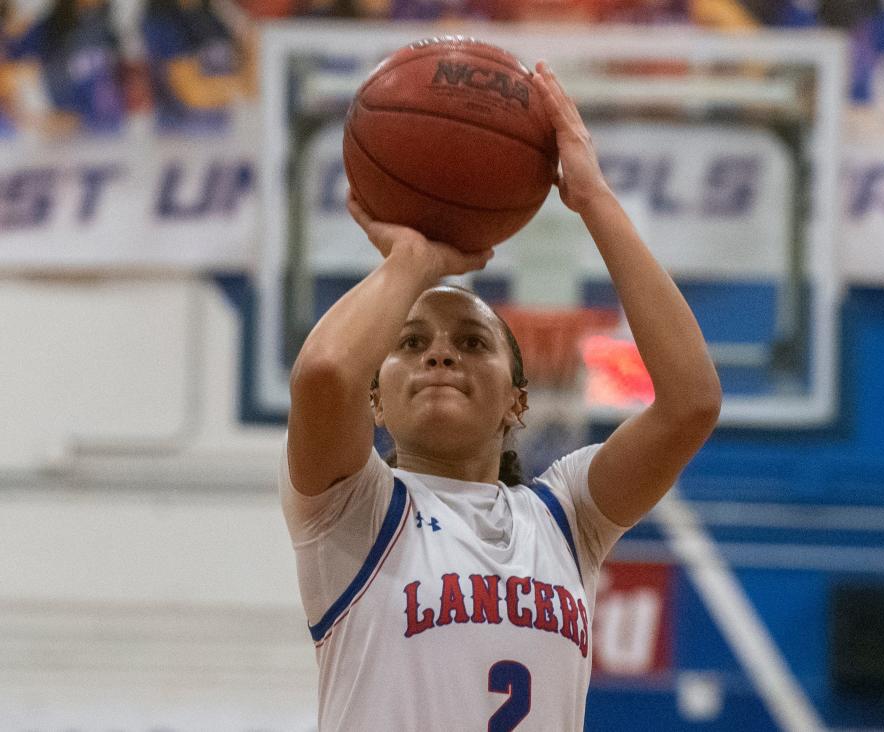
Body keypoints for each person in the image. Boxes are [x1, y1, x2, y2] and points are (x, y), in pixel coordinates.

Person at [280, 59, 722, 731]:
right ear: (375, 402)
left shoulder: (566, 517)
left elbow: (690, 402)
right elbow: (323, 374)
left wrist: (593, 198)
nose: (438, 351)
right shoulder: (353, 510)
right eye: (409, 342)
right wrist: (412, 262)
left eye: (472, 342)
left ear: (517, 402)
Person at [6, 0, 125, 136]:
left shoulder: (109, 28)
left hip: (109, 134)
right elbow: (9, 71)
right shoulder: (47, 29)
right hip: (63, 138)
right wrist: (30, 117)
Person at [140, 0, 255, 133]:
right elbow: (192, 91)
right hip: (180, 135)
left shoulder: (215, 16)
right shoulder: (162, 22)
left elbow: (250, 86)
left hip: (219, 132)